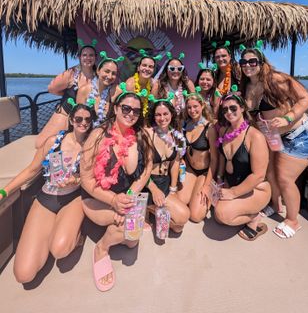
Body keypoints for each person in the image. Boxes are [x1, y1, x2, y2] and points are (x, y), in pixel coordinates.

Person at [0, 101, 96, 283]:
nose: (83, 123)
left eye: (88, 120)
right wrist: (4, 192)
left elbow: (95, 177)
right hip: (47, 198)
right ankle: (54, 230)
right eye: (79, 119)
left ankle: (77, 236)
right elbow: (31, 170)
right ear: (71, 120)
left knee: (60, 250)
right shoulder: (53, 142)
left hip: (72, 198)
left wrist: (76, 179)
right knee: (23, 275)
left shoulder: (91, 146)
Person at [239, 42, 308, 238]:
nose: (248, 65)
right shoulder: (247, 86)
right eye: (243, 61)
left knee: (284, 178)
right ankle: (275, 205)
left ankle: (293, 220)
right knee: (269, 172)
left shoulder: (277, 79)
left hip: (301, 135)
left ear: (261, 62)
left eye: (253, 61)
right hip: (273, 138)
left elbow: (306, 99)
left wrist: (287, 117)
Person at [80, 88, 153, 292]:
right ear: (116, 108)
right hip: (98, 198)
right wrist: (114, 201)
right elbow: (86, 180)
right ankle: (102, 248)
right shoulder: (97, 135)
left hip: (126, 198)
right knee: (127, 230)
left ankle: (116, 229)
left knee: (131, 240)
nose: (131, 114)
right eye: (126, 108)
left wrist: (130, 195)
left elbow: (147, 169)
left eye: (136, 111)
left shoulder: (141, 135)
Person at [214, 89, 271, 240]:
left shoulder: (255, 136)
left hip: (256, 190)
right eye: (225, 109)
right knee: (218, 219)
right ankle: (242, 210)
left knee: (222, 214)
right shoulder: (223, 131)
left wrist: (233, 193)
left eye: (233, 108)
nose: (229, 112)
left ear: (242, 109)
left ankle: (255, 217)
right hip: (232, 185)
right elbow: (222, 158)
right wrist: (219, 178)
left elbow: (259, 176)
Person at [35, 39, 97, 148]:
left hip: (86, 118)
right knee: (41, 144)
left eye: (91, 55)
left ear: (95, 58)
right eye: (85, 55)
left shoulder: (98, 75)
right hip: (66, 112)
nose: (88, 58)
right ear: (80, 57)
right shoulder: (71, 73)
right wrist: (66, 95)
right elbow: (51, 88)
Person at [145, 95, 190, 232]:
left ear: (171, 114)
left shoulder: (177, 136)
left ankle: (153, 209)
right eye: (158, 114)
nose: (162, 118)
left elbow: (175, 164)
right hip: (148, 182)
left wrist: (173, 189)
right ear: (154, 116)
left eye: (165, 114)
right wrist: (154, 190)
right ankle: (148, 206)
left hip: (165, 180)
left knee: (179, 226)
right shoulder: (147, 134)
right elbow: (140, 169)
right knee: (181, 217)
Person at [176, 90, 218, 222]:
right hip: (190, 169)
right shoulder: (185, 125)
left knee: (195, 216)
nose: (192, 110)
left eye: (195, 106)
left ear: (203, 106)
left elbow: (215, 159)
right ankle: (194, 193)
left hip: (205, 172)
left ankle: (211, 190)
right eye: (189, 107)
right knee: (181, 202)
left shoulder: (209, 128)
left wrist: (206, 185)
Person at [77, 51, 124, 127]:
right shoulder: (84, 90)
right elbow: (78, 120)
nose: (109, 76)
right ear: (98, 71)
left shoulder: (116, 91)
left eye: (113, 73)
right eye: (107, 71)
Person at [151, 52, 195, 117]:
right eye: (172, 68)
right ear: (166, 70)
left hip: (185, 123)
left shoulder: (188, 84)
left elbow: (194, 104)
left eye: (179, 68)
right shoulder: (158, 85)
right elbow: (152, 107)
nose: (176, 71)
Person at [125, 49, 162, 117]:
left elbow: (153, 106)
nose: (147, 69)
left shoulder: (153, 84)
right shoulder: (130, 84)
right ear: (138, 68)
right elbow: (127, 109)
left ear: (153, 70)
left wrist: (155, 87)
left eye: (150, 67)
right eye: (144, 65)